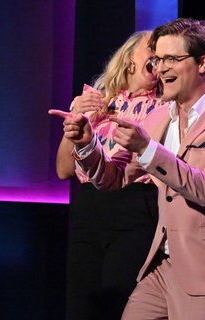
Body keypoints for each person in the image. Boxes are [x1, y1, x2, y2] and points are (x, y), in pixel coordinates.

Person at [50, 17, 205, 320]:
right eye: (158, 59)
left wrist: (148, 148)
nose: (161, 68)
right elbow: (115, 177)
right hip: (163, 265)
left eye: (171, 59)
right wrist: (86, 146)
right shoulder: (161, 116)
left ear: (203, 63)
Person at [54, 30, 169, 320]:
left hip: (136, 207)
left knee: (119, 305)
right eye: (152, 48)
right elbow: (63, 169)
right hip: (90, 209)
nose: (159, 56)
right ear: (130, 58)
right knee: (81, 305)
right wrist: (76, 118)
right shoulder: (97, 101)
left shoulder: (165, 105)